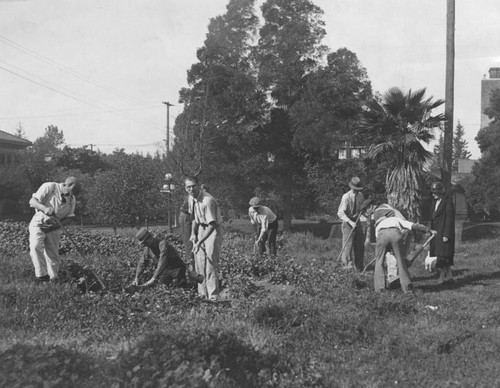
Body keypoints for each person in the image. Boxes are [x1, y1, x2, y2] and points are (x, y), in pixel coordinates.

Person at [28, 176, 80, 283]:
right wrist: (44, 208)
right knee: (35, 246)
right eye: (70, 191)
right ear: (67, 185)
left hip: (55, 227)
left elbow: (70, 218)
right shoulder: (50, 187)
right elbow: (32, 201)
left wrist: (54, 227)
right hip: (40, 223)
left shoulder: (72, 199)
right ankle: (42, 276)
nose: (70, 195)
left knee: (53, 255)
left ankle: (53, 279)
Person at [372, 203, 431, 294]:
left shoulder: (378, 224)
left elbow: (378, 238)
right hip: (396, 234)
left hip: (381, 235)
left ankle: (379, 289)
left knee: (379, 262)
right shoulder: (396, 219)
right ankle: (407, 288)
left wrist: (386, 250)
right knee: (400, 261)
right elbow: (413, 226)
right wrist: (428, 230)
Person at [185, 176, 223, 301]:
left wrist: (200, 241)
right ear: (186, 188)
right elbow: (195, 218)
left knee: (210, 264)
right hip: (201, 228)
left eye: (193, 186)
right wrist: (193, 233)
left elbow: (212, 225)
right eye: (188, 187)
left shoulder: (208, 200)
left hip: (212, 230)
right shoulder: (191, 198)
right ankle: (202, 295)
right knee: (199, 262)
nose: (191, 189)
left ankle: (213, 297)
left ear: (198, 185)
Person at [337, 177, 368, 270]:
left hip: (357, 220)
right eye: (355, 189)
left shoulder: (360, 195)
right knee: (348, 245)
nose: (356, 191)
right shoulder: (346, 196)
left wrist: (364, 212)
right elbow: (340, 213)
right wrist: (350, 222)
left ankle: (359, 267)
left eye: (358, 189)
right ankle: (347, 266)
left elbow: (362, 208)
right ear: (352, 187)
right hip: (347, 221)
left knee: (359, 244)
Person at [429, 181, 456, 284]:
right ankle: (449, 276)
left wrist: (446, 234)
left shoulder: (448, 202)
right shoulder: (435, 202)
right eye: (433, 192)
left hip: (444, 232)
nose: (433, 194)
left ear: (440, 192)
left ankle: (441, 277)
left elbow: (449, 220)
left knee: (443, 256)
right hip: (436, 232)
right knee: (443, 254)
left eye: (435, 192)